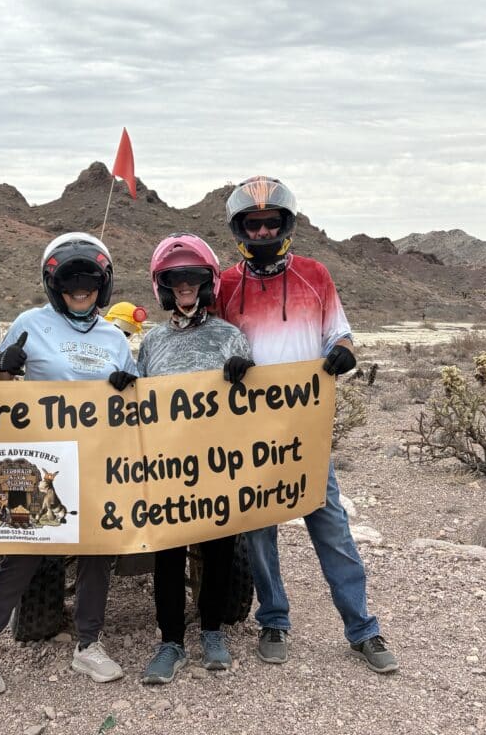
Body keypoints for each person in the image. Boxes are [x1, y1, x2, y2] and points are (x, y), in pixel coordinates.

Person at [216, 176, 398, 674]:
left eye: (270, 223)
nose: (261, 231)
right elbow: (210, 343)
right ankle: (273, 617)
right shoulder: (226, 285)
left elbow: (341, 335)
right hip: (248, 436)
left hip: (305, 433)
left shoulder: (315, 275)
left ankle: (363, 627)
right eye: (252, 224)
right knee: (258, 533)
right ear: (240, 229)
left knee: (332, 528)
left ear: (285, 225)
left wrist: (342, 354)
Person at [0, 232, 138, 695]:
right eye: (71, 283)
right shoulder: (30, 322)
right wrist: (4, 365)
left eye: (89, 283)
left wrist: (128, 383)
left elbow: (141, 400)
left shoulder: (113, 337)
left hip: (99, 459)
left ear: (101, 287)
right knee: (23, 554)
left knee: (97, 554)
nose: (80, 291)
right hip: (37, 458)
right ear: (54, 284)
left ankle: (88, 645)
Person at [133, 234, 254, 684]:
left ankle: (212, 632)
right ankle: (170, 640)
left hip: (218, 464)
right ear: (164, 287)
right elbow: (138, 404)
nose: (185, 287)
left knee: (220, 549)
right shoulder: (152, 342)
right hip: (165, 465)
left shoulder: (229, 336)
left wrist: (246, 373)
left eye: (193, 280)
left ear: (207, 285)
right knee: (167, 554)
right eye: (176, 280)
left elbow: (259, 404)